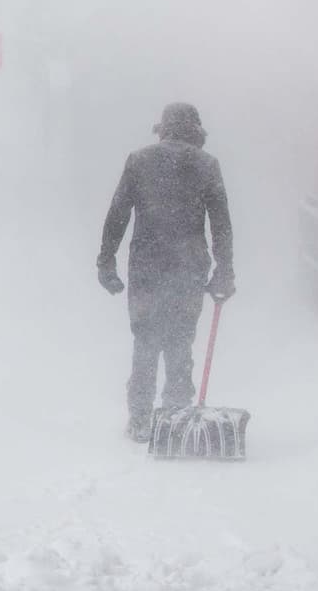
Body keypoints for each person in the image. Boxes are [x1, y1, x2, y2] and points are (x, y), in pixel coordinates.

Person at [96, 102, 235, 442]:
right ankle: (175, 415)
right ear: (196, 131)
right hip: (188, 267)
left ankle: (141, 419)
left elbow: (118, 214)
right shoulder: (206, 165)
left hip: (147, 265)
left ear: (163, 129)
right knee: (179, 339)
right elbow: (220, 225)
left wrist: (106, 261)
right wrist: (224, 271)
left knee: (145, 339)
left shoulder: (139, 161)